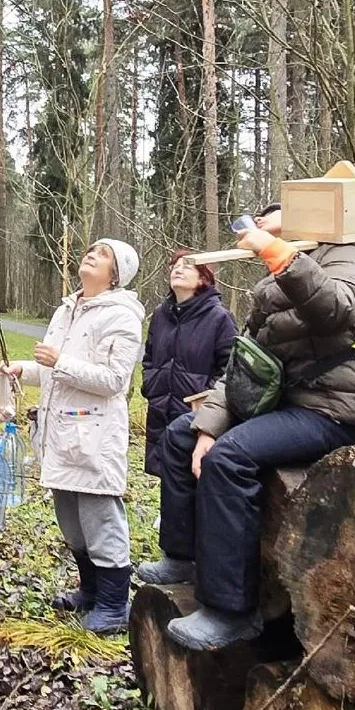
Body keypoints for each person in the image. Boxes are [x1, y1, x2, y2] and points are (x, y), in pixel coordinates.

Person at [156, 204, 355, 650]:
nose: (259, 220)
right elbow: (245, 366)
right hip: (283, 404)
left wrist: (278, 254)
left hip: (333, 408)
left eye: (272, 214)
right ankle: (182, 556)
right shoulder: (270, 285)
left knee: (229, 458)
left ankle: (230, 610)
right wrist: (207, 426)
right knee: (181, 433)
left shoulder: (344, 257)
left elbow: (335, 309)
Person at [2, 239, 146, 635]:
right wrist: (25, 370)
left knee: (100, 519)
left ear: (116, 274)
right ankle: (90, 590)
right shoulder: (67, 309)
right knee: (71, 519)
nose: (91, 254)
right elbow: (52, 371)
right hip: (59, 433)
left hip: (95, 435)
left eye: (102, 254)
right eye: (92, 249)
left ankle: (116, 605)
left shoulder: (121, 316)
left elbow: (115, 381)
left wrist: (59, 361)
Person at [137, 249, 238, 586]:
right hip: (161, 408)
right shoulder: (161, 315)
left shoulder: (219, 318)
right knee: (170, 482)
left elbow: (230, 369)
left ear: (204, 277)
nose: (177, 269)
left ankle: (202, 564)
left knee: (199, 486)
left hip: (198, 417)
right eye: (174, 265)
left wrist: (205, 403)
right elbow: (149, 357)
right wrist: (150, 383)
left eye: (187, 266)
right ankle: (177, 557)